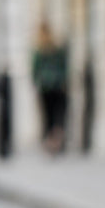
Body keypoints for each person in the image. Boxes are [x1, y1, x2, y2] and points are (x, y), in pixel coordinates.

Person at [31, 22, 68, 154]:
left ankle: (50, 141)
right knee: (56, 114)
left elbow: (34, 70)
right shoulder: (55, 49)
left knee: (48, 115)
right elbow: (63, 67)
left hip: (46, 87)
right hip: (55, 86)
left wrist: (36, 82)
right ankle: (54, 141)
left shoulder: (40, 51)